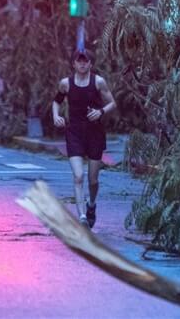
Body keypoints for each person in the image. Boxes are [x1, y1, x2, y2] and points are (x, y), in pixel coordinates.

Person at [52, 49, 116, 229]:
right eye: (79, 61)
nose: (82, 64)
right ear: (74, 64)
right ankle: (81, 216)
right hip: (74, 134)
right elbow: (56, 101)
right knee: (78, 176)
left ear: (90, 64)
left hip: (95, 133)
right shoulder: (66, 84)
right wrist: (56, 116)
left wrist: (101, 111)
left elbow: (113, 103)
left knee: (93, 180)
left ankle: (91, 205)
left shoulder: (98, 82)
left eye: (85, 61)